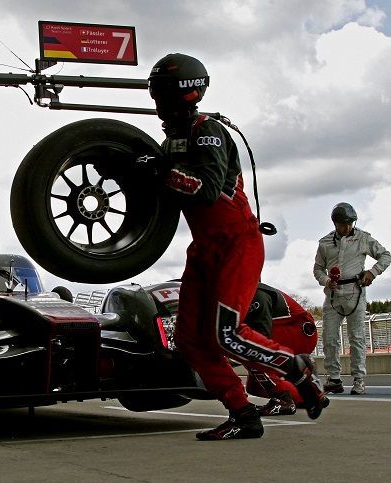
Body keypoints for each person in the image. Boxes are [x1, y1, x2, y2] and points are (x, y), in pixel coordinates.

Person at [148, 53, 326, 440]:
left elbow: (208, 190)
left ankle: (297, 369)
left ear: (182, 92)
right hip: (204, 249)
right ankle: (243, 415)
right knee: (191, 342)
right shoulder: (171, 139)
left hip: (237, 244)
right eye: (153, 91)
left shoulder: (208, 130)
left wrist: (162, 171)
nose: (155, 100)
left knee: (227, 333)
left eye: (160, 91)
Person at [314, 202, 390, 395]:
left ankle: (359, 379)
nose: (347, 227)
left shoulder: (363, 238)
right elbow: (317, 269)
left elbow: (385, 256)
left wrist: (372, 272)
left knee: (356, 337)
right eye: (343, 224)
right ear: (335, 223)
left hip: (356, 291)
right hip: (333, 295)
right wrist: (325, 280)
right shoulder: (324, 243)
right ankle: (334, 379)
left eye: (350, 223)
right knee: (329, 337)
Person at [244, 284, 318, 416]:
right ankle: (309, 396)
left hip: (298, 331)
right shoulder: (249, 291)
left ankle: (283, 400)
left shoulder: (254, 293)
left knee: (253, 354)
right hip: (297, 330)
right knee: (254, 387)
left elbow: (260, 340)